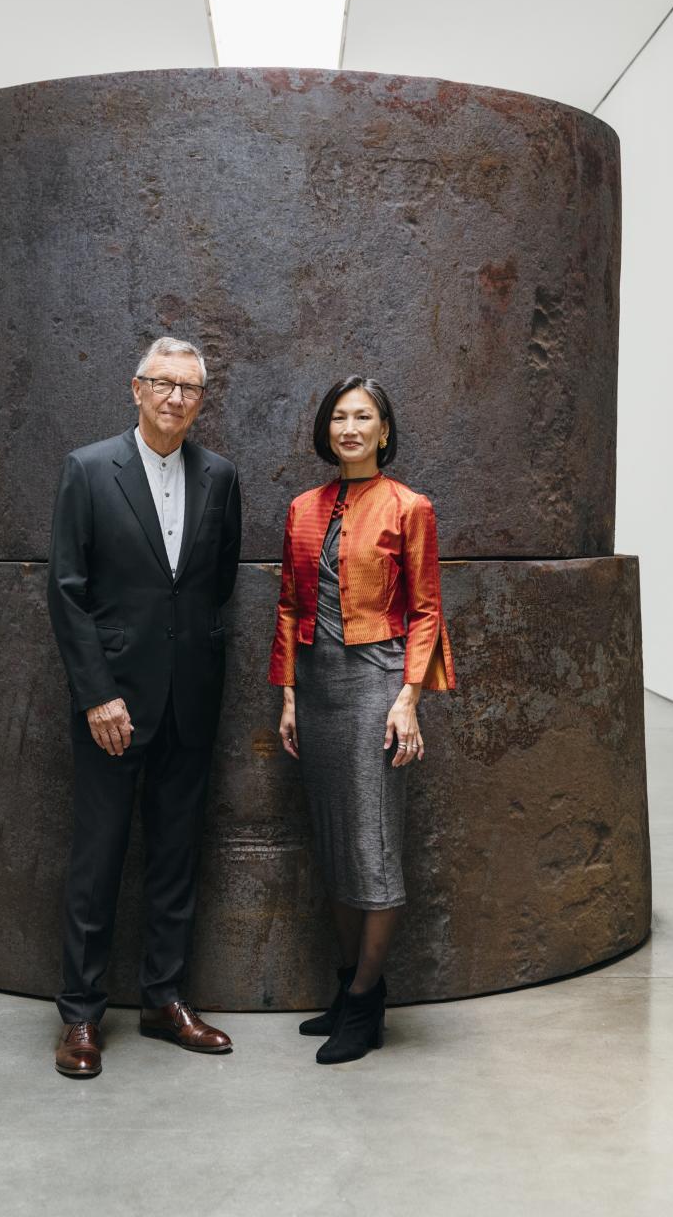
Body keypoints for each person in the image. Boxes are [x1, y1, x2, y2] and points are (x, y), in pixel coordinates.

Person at [47, 336, 241, 1077]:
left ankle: (164, 1000)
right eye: (162, 385)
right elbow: (67, 590)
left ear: (201, 400)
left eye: (189, 389)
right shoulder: (89, 470)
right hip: (112, 706)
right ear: (135, 389)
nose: (175, 399)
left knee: (174, 859)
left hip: (190, 698)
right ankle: (82, 1016)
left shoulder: (221, 477)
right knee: (97, 862)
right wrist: (97, 692)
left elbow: (214, 582)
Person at [269, 375, 456, 1065]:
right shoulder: (302, 509)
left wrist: (408, 699)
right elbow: (289, 605)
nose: (349, 427)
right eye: (339, 417)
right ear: (327, 429)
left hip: (378, 682)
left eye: (363, 417)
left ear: (383, 431)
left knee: (372, 846)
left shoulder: (411, 507)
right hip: (316, 686)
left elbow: (428, 609)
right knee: (336, 840)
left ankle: (366, 999)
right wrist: (289, 695)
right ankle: (349, 989)